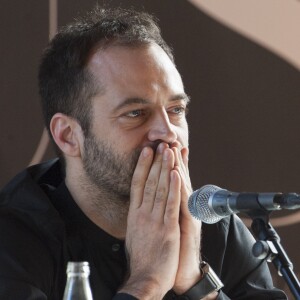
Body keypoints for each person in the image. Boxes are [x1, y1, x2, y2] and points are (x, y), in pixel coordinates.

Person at [0, 6, 286, 300]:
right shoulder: (14, 238)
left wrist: (196, 284)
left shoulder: (213, 226)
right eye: (136, 113)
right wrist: (145, 283)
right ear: (68, 136)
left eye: (176, 110)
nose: (168, 132)